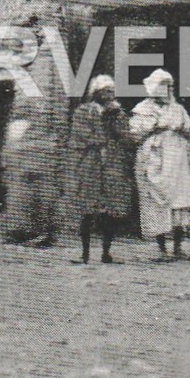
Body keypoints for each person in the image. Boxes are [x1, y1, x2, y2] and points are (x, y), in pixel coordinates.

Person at [129, 68, 190, 261]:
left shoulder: (178, 109)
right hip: (155, 157)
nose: (165, 90)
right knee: (156, 201)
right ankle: (161, 248)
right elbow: (134, 135)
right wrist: (153, 129)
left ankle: (178, 247)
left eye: (168, 86)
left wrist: (183, 131)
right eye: (161, 86)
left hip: (176, 159)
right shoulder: (143, 109)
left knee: (179, 201)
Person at [68, 74, 135, 264]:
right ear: (96, 92)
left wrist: (114, 121)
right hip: (91, 165)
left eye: (112, 91)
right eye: (106, 91)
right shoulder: (83, 112)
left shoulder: (117, 114)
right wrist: (102, 138)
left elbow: (125, 136)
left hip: (112, 165)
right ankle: (85, 253)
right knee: (88, 209)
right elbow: (81, 136)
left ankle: (106, 252)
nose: (110, 95)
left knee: (110, 211)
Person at [1, 106, 61, 247]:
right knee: (23, 194)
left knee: (43, 193)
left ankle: (44, 232)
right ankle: (25, 230)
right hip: (26, 151)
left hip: (40, 151)